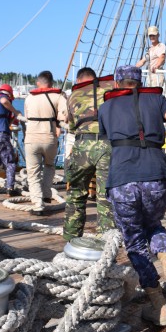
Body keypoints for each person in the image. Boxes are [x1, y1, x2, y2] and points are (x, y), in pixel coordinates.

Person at [98, 65, 166, 327]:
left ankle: (159, 306)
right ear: (140, 82)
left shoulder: (106, 107)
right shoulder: (157, 100)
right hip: (154, 177)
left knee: (136, 243)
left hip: (122, 181)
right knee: (154, 226)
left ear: (117, 84)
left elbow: (108, 141)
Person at [63, 67, 115, 240]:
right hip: (107, 145)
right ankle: (106, 243)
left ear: (79, 80)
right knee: (105, 197)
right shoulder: (109, 88)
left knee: (75, 195)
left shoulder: (72, 96)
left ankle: (71, 240)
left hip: (82, 145)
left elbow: (72, 127)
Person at [24, 70, 68, 215]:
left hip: (31, 138)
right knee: (49, 166)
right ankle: (47, 194)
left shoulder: (29, 97)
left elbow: (27, 116)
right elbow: (65, 116)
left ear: (38, 83)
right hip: (49, 138)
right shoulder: (58, 96)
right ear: (51, 83)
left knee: (33, 172)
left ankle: (38, 204)